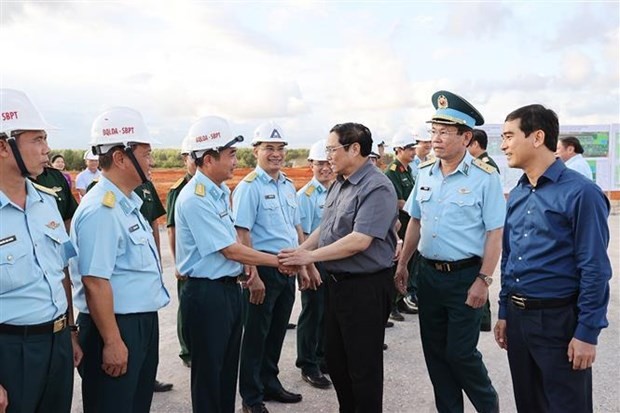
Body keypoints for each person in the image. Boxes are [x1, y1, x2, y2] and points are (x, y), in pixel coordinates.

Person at [175, 116, 299, 413]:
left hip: (227, 289)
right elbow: (231, 249)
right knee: (209, 375)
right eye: (230, 154)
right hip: (207, 294)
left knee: (226, 371)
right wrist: (279, 261)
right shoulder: (196, 197)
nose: (235, 160)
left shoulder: (217, 193)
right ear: (208, 158)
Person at [495, 104, 612, 412]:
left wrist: (587, 332)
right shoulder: (519, 192)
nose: (503, 145)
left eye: (509, 136)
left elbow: (595, 268)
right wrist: (505, 310)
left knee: (565, 406)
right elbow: (510, 256)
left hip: (559, 320)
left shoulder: (582, 193)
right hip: (519, 321)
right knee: (529, 404)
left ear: (537, 137)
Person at [395, 90, 504, 413]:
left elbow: (495, 232)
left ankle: (488, 406)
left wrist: (483, 280)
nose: (436, 139)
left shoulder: (485, 178)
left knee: (460, 353)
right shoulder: (426, 171)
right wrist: (403, 264)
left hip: (464, 278)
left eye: (444, 132)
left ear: (466, 137)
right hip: (428, 276)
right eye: (433, 131)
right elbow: (415, 220)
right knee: (436, 356)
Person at [279, 122, 398, 413]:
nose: (328, 155)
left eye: (333, 149)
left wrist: (310, 258)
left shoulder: (377, 186)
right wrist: (301, 250)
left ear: (355, 149)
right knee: (337, 361)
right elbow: (327, 227)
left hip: (365, 287)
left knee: (363, 367)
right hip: (338, 286)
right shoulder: (340, 182)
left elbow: (359, 240)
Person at [70, 107, 170, 413]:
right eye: (146, 152)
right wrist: (112, 341)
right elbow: (95, 282)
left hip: (138, 323)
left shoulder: (127, 202)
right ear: (121, 157)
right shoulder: (102, 209)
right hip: (113, 327)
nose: (151, 160)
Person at [0, 88, 82, 413]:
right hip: (11, 351)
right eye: (37, 140)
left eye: (45, 139)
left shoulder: (47, 202)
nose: (47, 150)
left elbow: (61, 273)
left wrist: (71, 331)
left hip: (58, 344)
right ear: (3, 147)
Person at [234, 121, 312, 413]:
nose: (276, 154)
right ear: (256, 151)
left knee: (277, 330)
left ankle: (270, 382)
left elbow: (295, 229)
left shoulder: (288, 185)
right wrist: (251, 275)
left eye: (280, 149)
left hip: (287, 269)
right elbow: (243, 234)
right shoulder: (249, 188)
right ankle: (251, 397)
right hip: (263, 269)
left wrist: (303, 265)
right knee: (255, 335)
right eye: (269, 148)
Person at [295, 139, 334, 389]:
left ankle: (323, 357)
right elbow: (305, 236)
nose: (325, 169)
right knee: (312, 313)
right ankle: (308, 363)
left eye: (328, 163)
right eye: (319, 164)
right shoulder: (306, 196)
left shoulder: (339, 190)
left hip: (334, 261)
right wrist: (306, 266)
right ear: (311, 165)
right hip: (314, 260)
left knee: (328, 313)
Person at [166, 136, 196, 369]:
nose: (194, 161)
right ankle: (187, 350)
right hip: (187, 260)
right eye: (190, 156)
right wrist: (178, 262)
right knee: (187, 308)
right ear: (185, 159)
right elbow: (172, 230)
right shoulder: (179, 189)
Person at [467, 128, 500, 332]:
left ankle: (484, 318)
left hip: (482, 234)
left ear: (476, 144)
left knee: (480, 278)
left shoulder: (486, 167)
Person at [385, 129, 418, 322]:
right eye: (409, 148)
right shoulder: (393, 172)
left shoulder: (408, 171)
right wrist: (417, 210)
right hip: (400, 224)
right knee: (397, 264)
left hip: (410, 223)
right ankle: (391, 305)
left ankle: (400, 299)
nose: (413, 152)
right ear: (398, 150)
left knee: (409, 264)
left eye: (413, 148)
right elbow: (398, 201)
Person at [31, 155, 79, 232]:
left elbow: (69, 215)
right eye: (36, 142)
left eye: (62, 162)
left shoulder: (56, 176)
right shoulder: (10, 184)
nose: (46, 149)